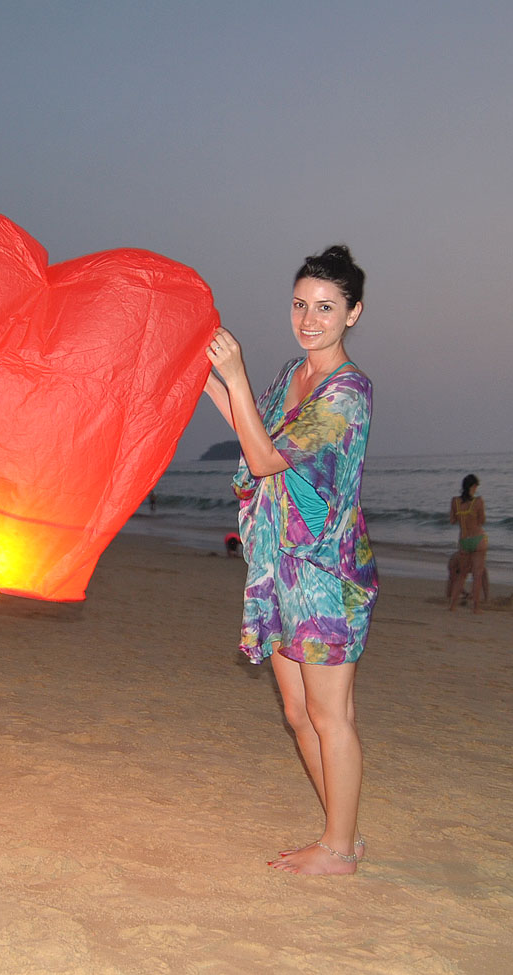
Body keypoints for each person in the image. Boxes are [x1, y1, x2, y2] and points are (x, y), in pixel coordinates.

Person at [203, 245, 377, 876]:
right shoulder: (291, 374)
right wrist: (202, 373)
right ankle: (343, 832)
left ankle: (337, 850)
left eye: (326, 308)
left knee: (333, 716)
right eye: (301, 304)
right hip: (278, 564)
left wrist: (238, 373)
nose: (310, 319)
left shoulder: (348, 394)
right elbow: (250, 426)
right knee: (297, 712)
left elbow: (267, 460)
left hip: (326, 574)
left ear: (352, 313)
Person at [449, 474, 488, 613]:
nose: (476, 489)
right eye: (476, 486)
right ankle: (476, 607)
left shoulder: (455, 501)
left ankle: (452, 605)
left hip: (464, 541)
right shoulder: (478, 501)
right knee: (477, 575)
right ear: (472, 486)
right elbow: (482, 520)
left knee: (462, 575)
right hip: (478, 539)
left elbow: (452, 520)